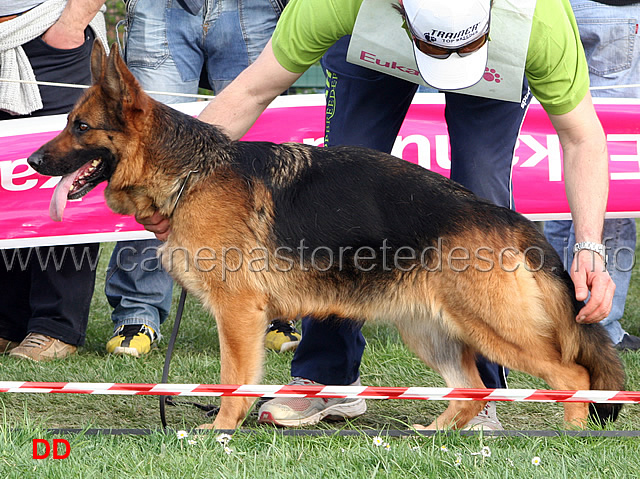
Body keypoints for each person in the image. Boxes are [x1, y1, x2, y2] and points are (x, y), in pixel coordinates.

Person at [139, 0, 616, 429]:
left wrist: (591, 247)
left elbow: (583, 139)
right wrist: (179, 184)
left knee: (479, 191)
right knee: (336, 189)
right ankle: (324, 380)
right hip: (370, 50)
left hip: (498, 62)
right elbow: (248, 94)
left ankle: (480, 391)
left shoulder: (541, 21)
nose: (441, 64)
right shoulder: (331, 5)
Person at [104, 0, 300, 358]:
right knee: (145, 152)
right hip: (160, 6)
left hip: (254, 6)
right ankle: (138, 311)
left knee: (263, 159)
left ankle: (276, 308)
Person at [0, 0, 106, 360]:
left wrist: (71, 25)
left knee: (62, 174)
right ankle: (6, 323)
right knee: (6, 183)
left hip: (48, 32)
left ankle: (55, 325)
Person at [544, 0, 640, 352]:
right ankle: (600, 329)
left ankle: (553, 317)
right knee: (607, 171)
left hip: (562, 10)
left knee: (566, 173)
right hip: (613, 12)